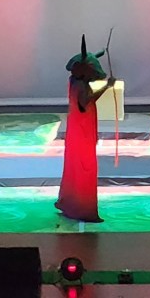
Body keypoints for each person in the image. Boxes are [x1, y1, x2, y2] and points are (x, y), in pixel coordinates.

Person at [55, 35, 114, 223]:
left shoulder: (75, 81)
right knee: (84, 168)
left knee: (75, 167)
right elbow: (86, 102)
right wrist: (106, 87)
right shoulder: (80, 86)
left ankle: (70, 203)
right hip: (82, 132)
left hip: (78, 129)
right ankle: (83, 208)